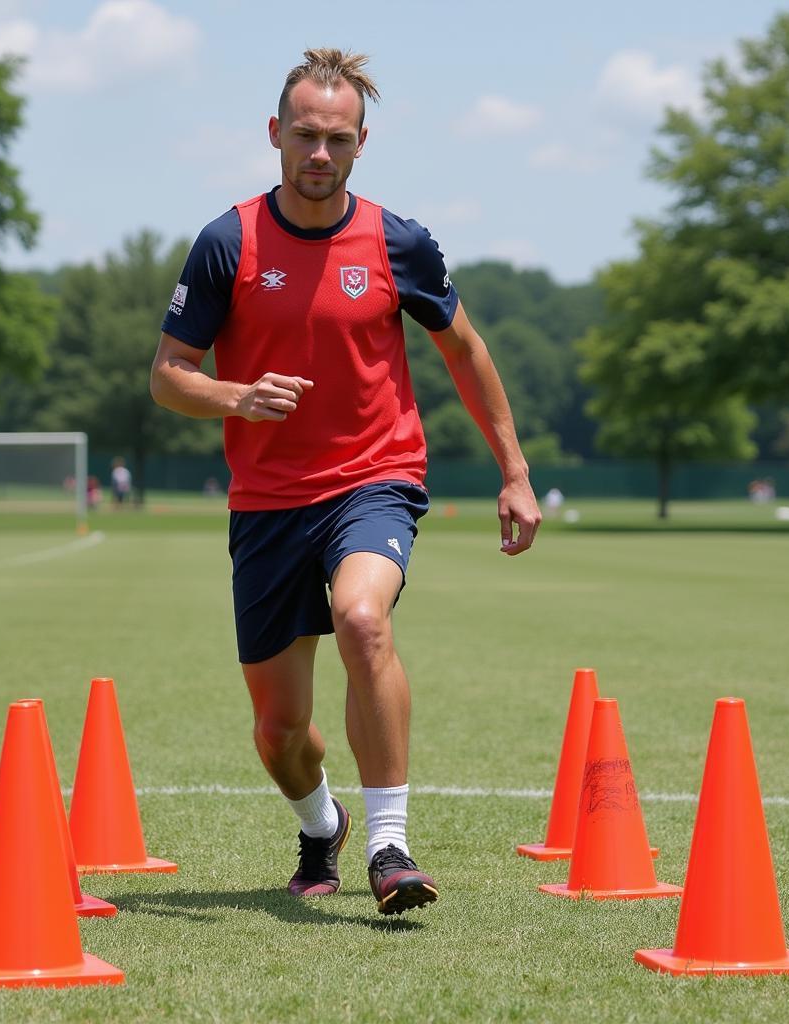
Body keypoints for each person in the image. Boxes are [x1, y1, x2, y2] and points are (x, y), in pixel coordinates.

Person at [150, 48, 540, 916]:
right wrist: (236, 396)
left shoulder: (400, 241)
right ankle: (319, 823)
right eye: (303, 136)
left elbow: (466, 352)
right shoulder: (229, 241)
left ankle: (389, 844)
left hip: (376, 478)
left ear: (362, 143)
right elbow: (168, 374)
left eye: (336, 139)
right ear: (274, 135)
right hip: (267, 503)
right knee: (281, 736)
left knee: (363, 618)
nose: (318, 154)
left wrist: (514, 471)